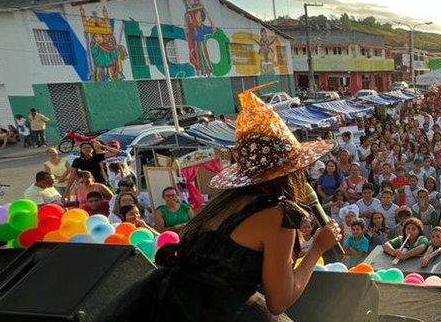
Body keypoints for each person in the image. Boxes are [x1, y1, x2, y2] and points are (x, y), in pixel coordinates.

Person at [97, 84, 341, 322]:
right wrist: (318, 248)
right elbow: (279, 301)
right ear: (291, 171)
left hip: (162, 301)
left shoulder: (223, 202)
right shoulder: (277, 215)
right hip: (210, 310)